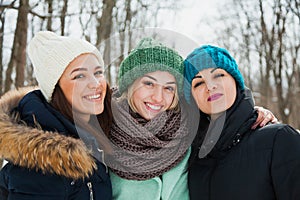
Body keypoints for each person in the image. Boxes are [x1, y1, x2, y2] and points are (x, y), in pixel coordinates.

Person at [105, 38, 278, 200]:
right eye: (149, 84)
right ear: (129, 85)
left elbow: (225, 119)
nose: (158, 97)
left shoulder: (189, 129)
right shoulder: (103, 129)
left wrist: (252, 115)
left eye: (169, 88)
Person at [0, 31, 112, 200]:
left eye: (98, 72)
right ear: (55, 88)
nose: (95, 84)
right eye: (79, 76)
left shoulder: (91, 132)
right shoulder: (41, 164)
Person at [184, 45, 300, 200]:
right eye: (198, 83)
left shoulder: (278, 140)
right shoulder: (191, 158)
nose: (210, 86)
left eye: (218, 75)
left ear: (236, 81)